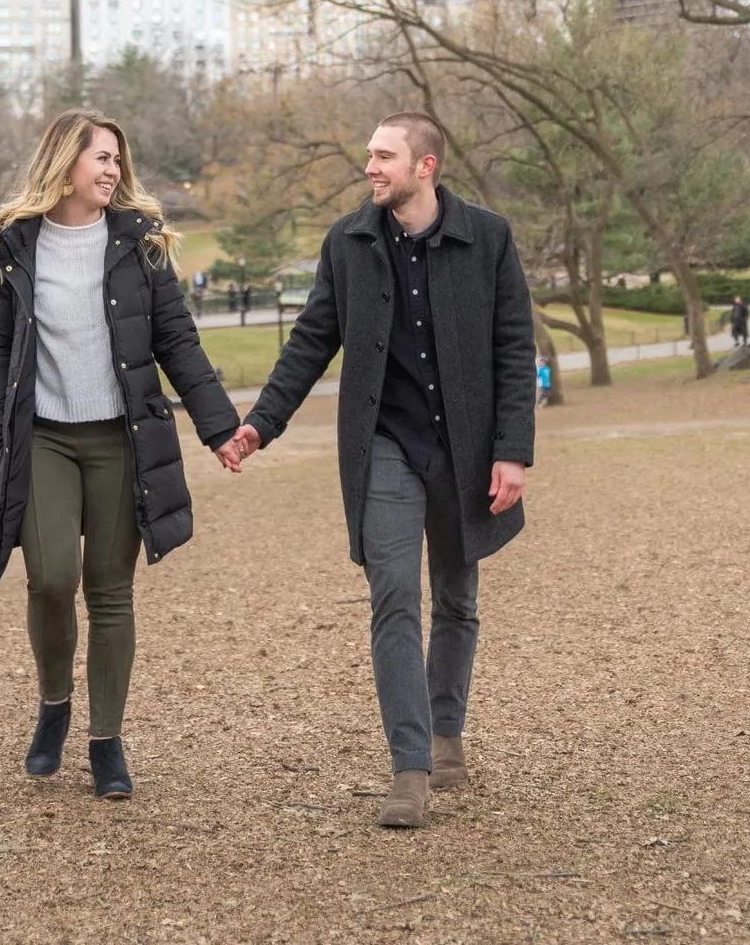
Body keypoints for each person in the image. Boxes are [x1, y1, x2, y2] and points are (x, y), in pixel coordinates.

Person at [227, 112, 535, 830]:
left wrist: (512, 448)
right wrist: (259, 423)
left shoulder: (488, 238)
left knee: (456, 596)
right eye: (370, 154)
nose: (370, 166)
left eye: (384, 155)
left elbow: (514, 347)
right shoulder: (350, 241)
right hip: (386, 445)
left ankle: (445, 729)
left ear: (425, 167)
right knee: (393, 595)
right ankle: (410, 766)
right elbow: (311, 341)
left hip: (465, 449)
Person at [0, 109, 242, 800]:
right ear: (65, 160)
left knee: (110, 589)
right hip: (45, 437)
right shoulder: (16, 244)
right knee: (52, 577)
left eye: (118, 158)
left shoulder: (139, 242)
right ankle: (53, 705)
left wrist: (220, 428)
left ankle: (106, 741)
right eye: (101, 157)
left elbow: (177, 340)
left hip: (121, 436)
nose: (114, 170)